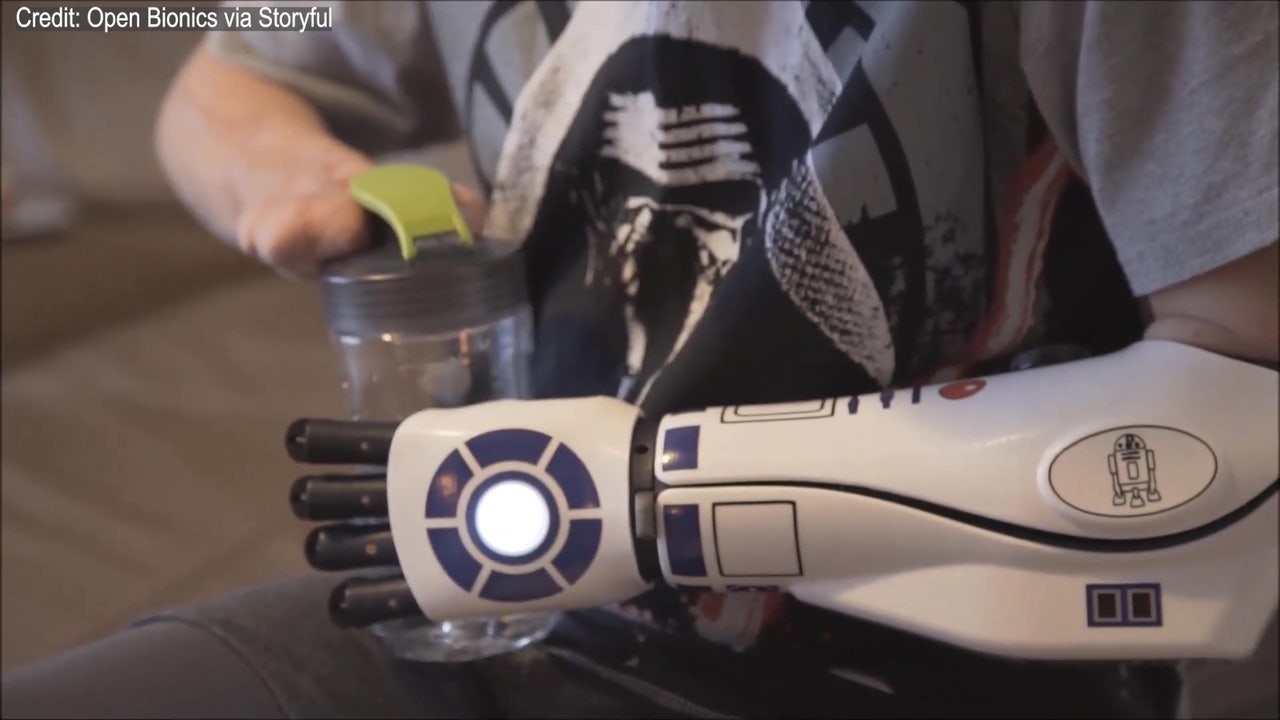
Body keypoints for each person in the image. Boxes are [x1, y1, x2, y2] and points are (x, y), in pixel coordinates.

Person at [4, 1, 1277, 717]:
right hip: (507, 634)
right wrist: (292, 178)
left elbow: (1233, 434)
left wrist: (634, 504)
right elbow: (213, 86)